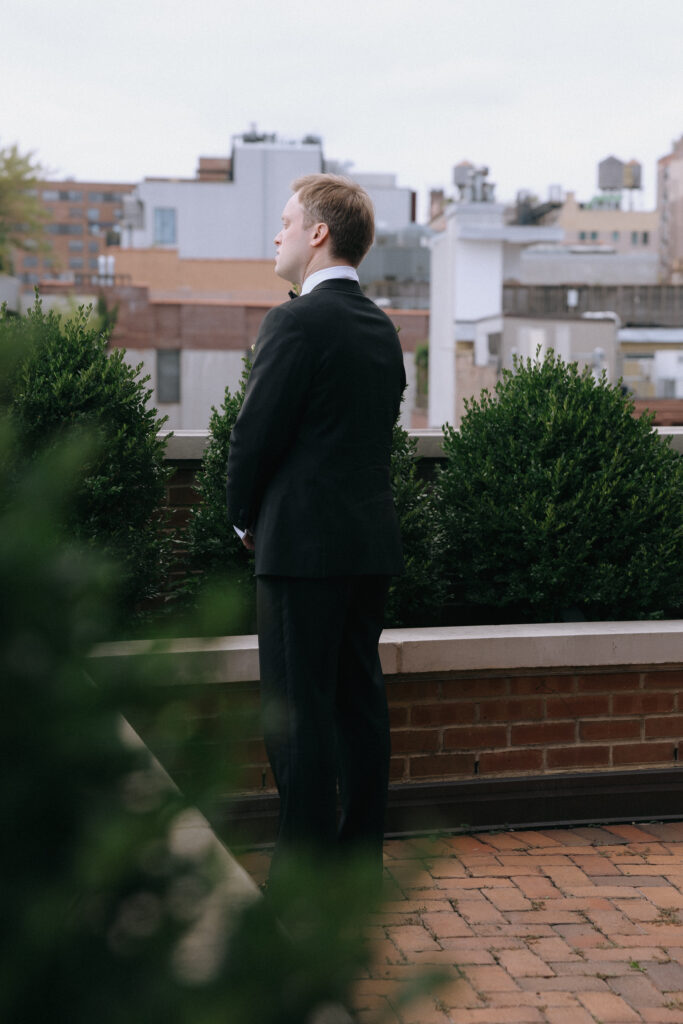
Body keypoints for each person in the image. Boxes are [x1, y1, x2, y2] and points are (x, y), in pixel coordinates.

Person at [226, 174, 405, 889]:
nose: (277, 235)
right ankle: (358, 863)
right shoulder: (380, 329)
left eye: (285, 221)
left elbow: (253, 436)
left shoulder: (294, 321)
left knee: (296, 712)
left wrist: (243, 518)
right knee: (359, 706)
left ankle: (301, 877)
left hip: (299, 549)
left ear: (318, 233)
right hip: (366, 545)